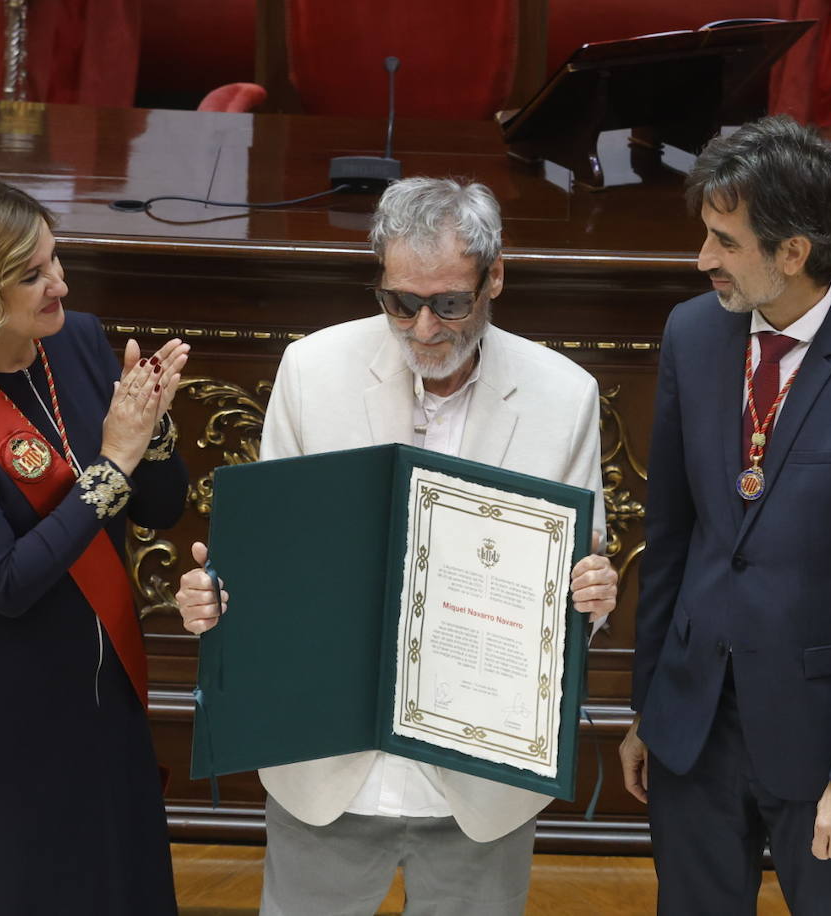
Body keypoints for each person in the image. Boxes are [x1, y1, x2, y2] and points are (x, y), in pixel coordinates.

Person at [175, 177, 618, 916]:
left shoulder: (562, 394)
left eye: (449, 304)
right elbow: (273, 563)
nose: (421, 329)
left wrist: (589, 597)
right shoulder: (311, 370)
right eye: (399, 302)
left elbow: (579, 586)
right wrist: (219, 594)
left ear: (495, 276)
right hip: (327, 766)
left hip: (482, 784)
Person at [620, 116, 831, 913]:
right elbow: (670, 538)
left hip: (830, 746)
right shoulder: (692, 334)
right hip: (695, 730)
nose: (703, 259)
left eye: (725, 242)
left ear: (794, 252)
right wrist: (650, 712)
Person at [0, 176, 189, 915]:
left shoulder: (77, 340)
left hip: (93, 688)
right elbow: (5, 581)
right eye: (32, 275)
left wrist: (157, 429)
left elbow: (167, 507)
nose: (60, 284)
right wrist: (114, 463)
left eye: (55, 259)